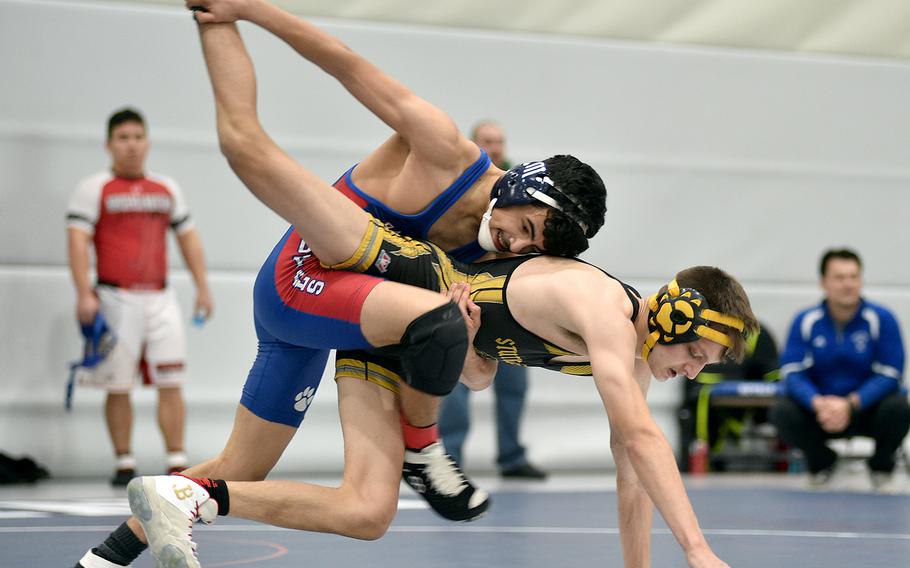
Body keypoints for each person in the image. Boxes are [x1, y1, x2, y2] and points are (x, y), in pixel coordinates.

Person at [119, 11, 755, 568]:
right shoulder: (447, 153)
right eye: (525, 228)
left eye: (537, 246)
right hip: (317, 273)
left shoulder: (569, 304)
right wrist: (245, 11)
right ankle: (424, 446)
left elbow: (484, 376)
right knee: (247, 148)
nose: (518, 248)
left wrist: (473, 355)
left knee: (359, 509)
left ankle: (132, 536)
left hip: (379, 318)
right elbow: (346, 63)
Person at [65, 108, 214, 487]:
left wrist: (203, 286)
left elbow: (188, 238)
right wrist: (84, 293)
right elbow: (78, 243)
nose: (131, 145)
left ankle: (177, 459)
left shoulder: (166, 188)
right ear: (109, 144)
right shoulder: (93, 189)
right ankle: (124, 461)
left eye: (137, 137)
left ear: (147, 142)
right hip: (116, 298)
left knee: (172, 378)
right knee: (118, 383)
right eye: (123, 138)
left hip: (160, 297)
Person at [440, 120, 546, 479]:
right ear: (475, 143)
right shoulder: (464, 186)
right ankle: (450, 457)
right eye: (488, 141)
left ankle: (512, 456)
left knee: (514, 383)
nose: (496, 147)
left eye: (500, 141)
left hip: (508, 302)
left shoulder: (522, 190)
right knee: (456, 383)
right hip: (464, 295)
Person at [770, 248, 910, 490]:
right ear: (824, 282)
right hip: (820, 410)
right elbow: (791, 372)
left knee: (898, 407)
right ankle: (822, 462)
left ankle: (881, 467)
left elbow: (891, 373)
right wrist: (818, 403)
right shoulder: (806, 320)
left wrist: (851, 403)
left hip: (865, 409)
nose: (848, 284)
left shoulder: (882, 318)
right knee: (781, 411)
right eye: (840, 277)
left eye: (854, 277)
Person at [677, 322, 780, 472]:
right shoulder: (696, 328)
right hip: (702, 402)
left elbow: (773, 377)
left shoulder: (757, 334)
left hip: (743, 405)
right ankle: (696, 464)